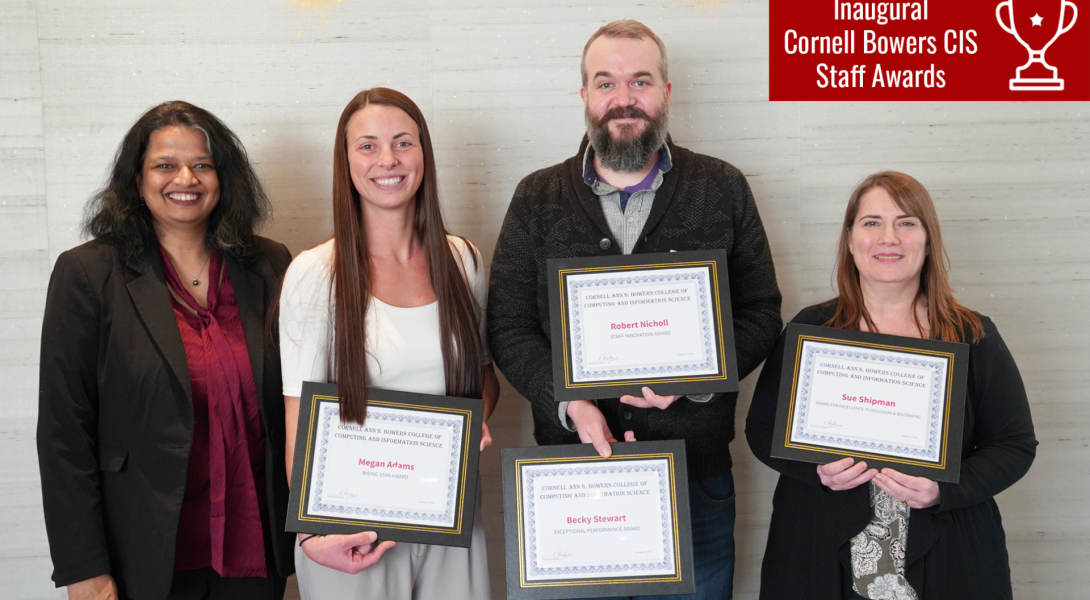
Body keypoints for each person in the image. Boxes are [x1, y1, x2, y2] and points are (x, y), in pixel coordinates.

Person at [487, 19, 782, 600]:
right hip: (573, 483)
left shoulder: (722, 187)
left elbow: (762, 312)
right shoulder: (536, 197)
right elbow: (508, 324)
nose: (624, 99)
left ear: (666, 92)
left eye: (640, 81)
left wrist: (698, 379)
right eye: (606, 83)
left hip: (695, 482)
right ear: (585, 97)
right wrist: (567, 400)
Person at [37, 101, 295, 600]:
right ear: (136, 179)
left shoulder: (269, 263)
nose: (186, 178)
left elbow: (298, 399)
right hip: (142, 553)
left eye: (202, 164)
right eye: (165, 165)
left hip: (254, 549)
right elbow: (63, 433)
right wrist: (83, 567)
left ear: (224, 177)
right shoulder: (88, 274)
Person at [745, 171, 1037, 600]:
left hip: (948, 549)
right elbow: (761, 427)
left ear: (927, 239)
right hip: (819, 548)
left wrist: (945, 489)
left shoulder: (971, 334)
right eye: (871, 223)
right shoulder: (811, 328)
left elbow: (1014, 444)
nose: (889, 238)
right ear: (850, 240)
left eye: (906, 222)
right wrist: (817, 471)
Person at [279, 87, 497, 600]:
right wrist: (313, 532)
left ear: (424, 154)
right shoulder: (315, 274)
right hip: (353, 534)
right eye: (368, 146)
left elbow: (483, 381)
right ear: (346, 161)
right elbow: (298, 422)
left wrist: (475, 421)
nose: (388, 161)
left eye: (403, 143)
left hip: (453, 518)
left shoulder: (462, 260)